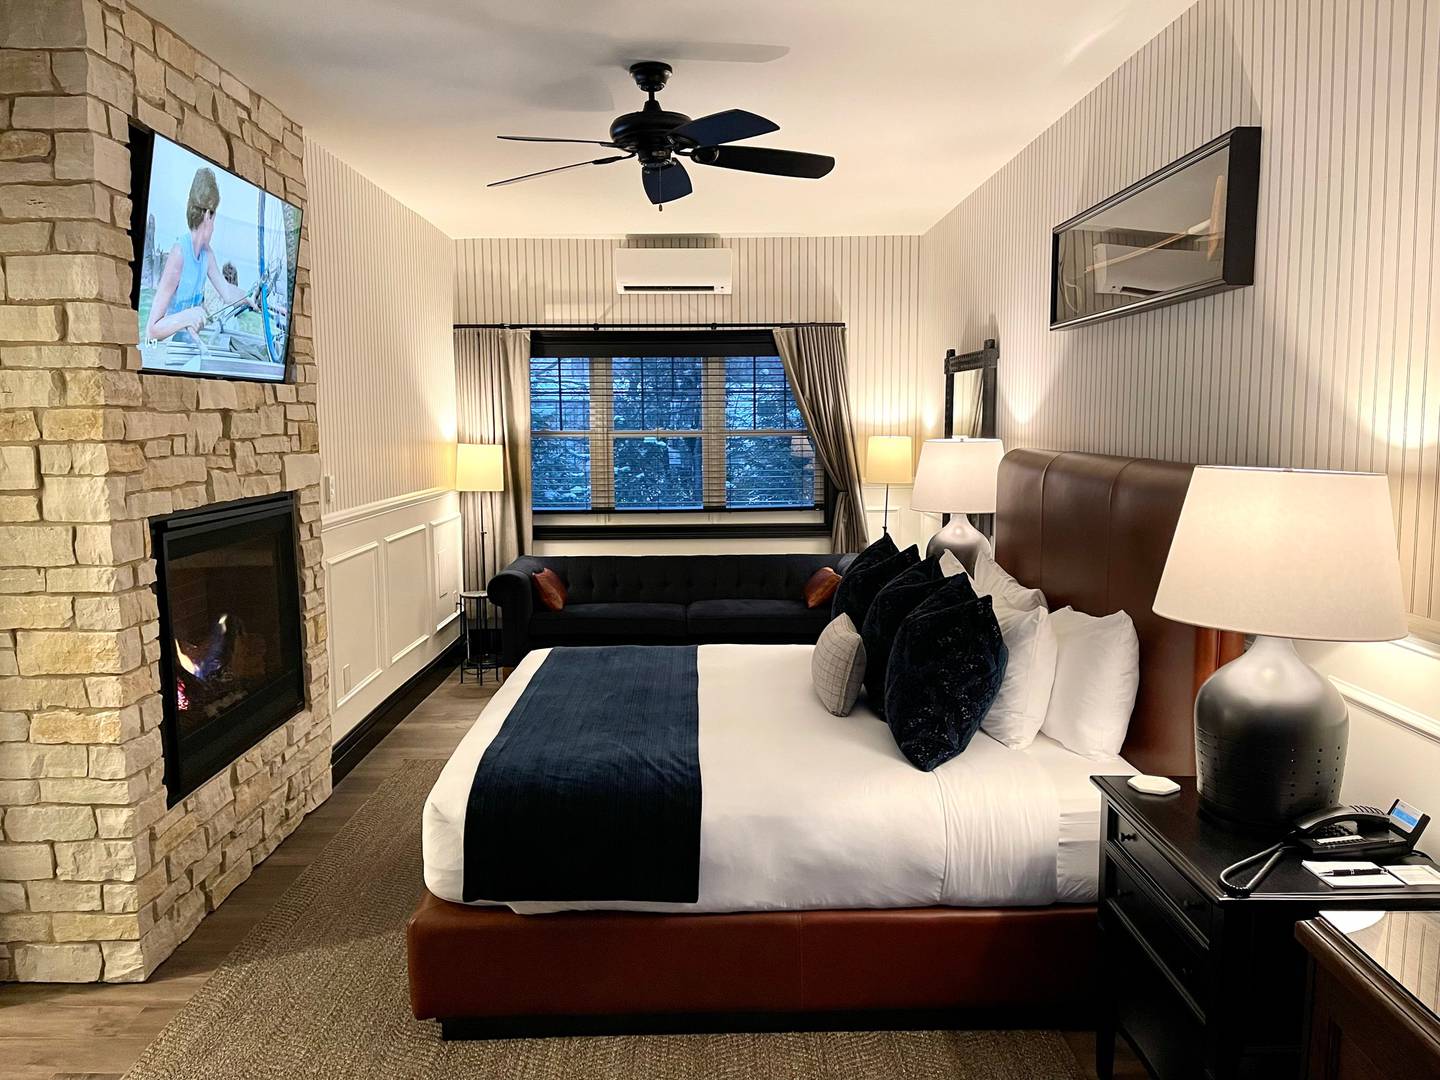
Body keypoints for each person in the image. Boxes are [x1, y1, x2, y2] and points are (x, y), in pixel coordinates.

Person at [144, 167, 253, 342]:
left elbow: (226, 292)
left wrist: (251, 297)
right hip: (169, 351)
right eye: (215, 216)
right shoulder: (179, 254)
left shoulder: (207, 254)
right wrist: (188, 316)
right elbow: (151, 331)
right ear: (209, 215)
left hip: (189, 347)